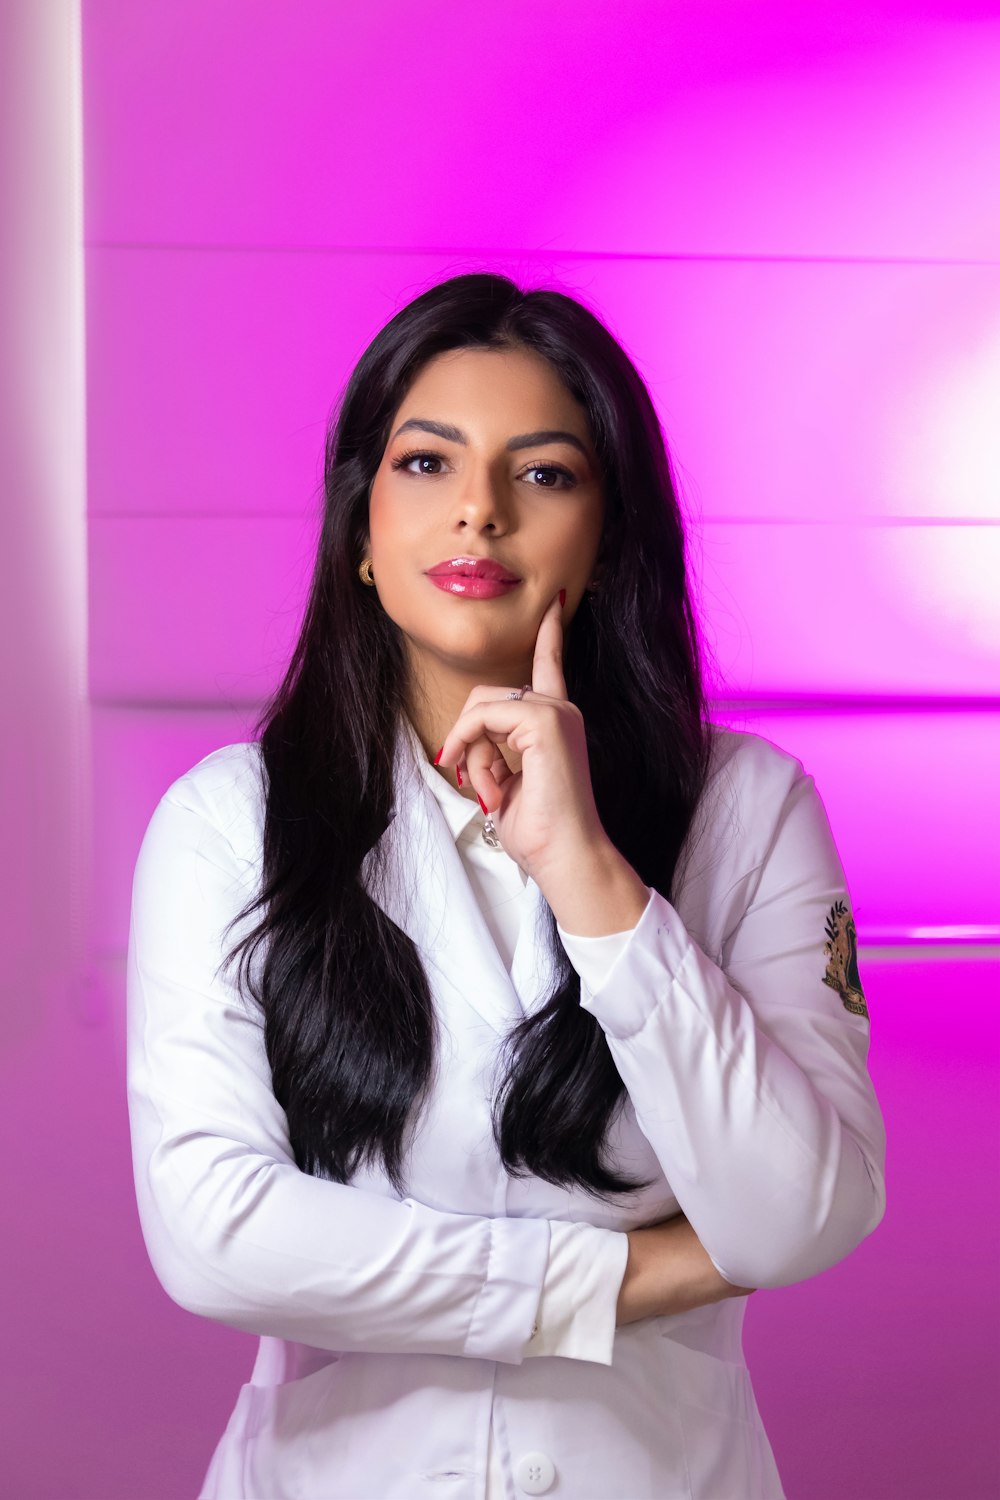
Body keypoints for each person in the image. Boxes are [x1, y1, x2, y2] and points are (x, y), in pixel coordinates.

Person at [126, 271, 887, 1500]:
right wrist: (615, 1280)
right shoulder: (231, 822)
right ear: (360, 534)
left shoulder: (748, 807)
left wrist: (588, 871)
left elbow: (799, 1215)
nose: (477, 512)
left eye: (543, 474)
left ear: (607, 535)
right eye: (426, 465)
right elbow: (216, 1237)